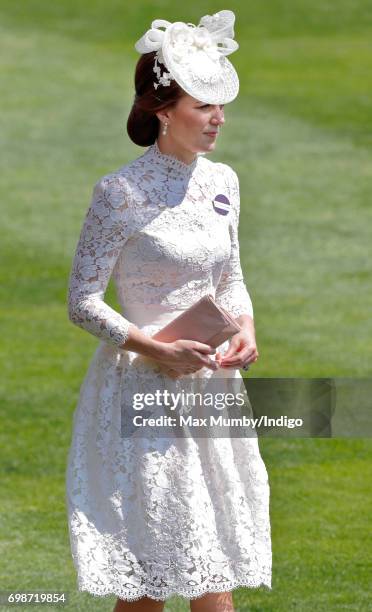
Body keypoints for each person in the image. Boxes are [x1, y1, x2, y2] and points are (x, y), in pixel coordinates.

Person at [65, 9, 272, 612]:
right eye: (203, 105)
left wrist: (247, 331)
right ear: (164, 111)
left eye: (219, 105)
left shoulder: (224, 181)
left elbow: (231, 275)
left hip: (212, 388)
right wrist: (156, 348)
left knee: (214, 572)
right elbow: (82, 301)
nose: (218, 119)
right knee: (148, 586)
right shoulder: (119, 193)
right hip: (143, 392)